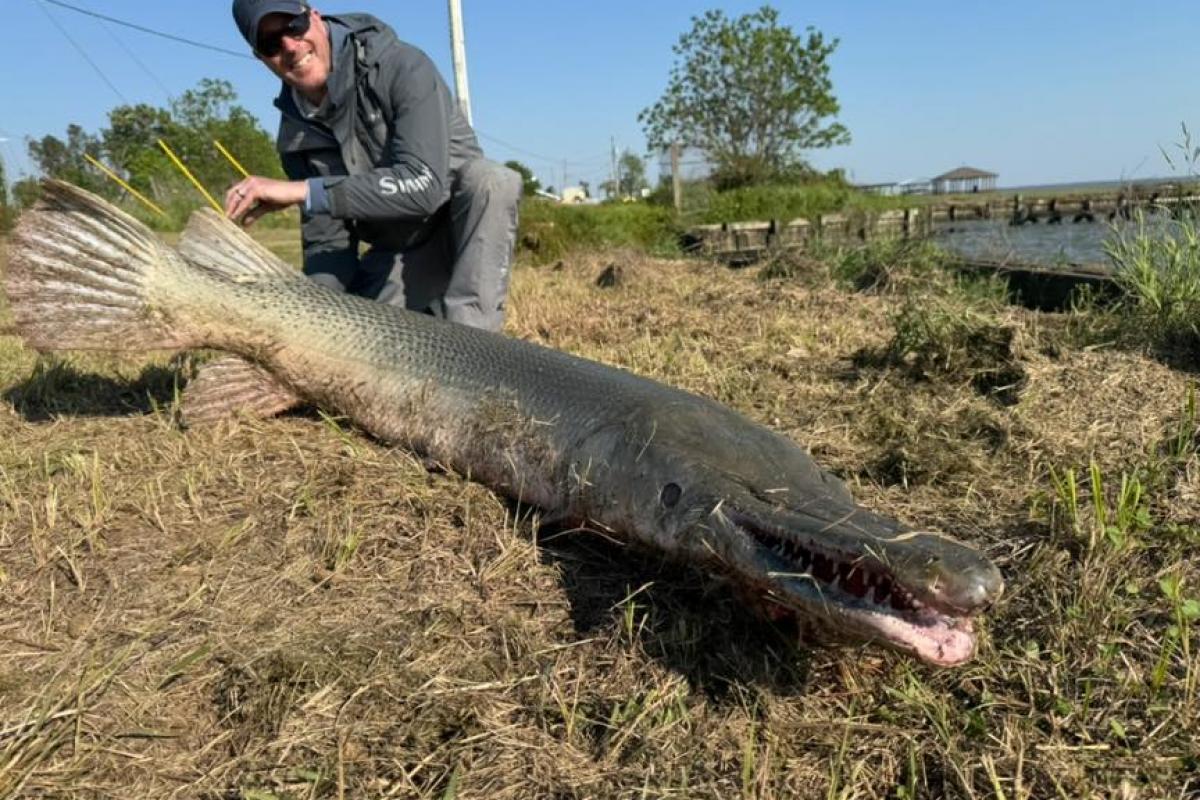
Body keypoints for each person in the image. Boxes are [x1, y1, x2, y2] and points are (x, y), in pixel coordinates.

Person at [227, 1, 521, 332]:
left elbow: (422, 186)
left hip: (461, 232)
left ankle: (474, 345)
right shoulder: (295, 135)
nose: (290, 46)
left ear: (314, 18)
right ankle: (428, 313)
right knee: (359, 333)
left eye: (293, 26)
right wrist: (316, 319)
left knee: (493, 181)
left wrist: (304, 191)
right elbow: (329, 243)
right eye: (270, 43)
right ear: (260, 57)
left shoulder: (403, 66)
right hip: (399, 252)